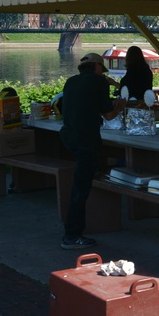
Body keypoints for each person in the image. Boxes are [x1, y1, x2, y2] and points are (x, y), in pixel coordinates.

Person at [59, 52, 126, 250]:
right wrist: (120, 106)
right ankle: (72, 235)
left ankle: (73, 231)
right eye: (101, 68)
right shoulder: (99, 82)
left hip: (68, 135)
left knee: (83, 179)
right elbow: (110, 115)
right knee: (80, 189)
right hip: (86, 138)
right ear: (97, 67)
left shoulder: (71, 81)